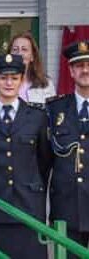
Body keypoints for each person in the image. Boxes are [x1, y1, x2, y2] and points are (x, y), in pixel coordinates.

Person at [0, 53, 52, 259]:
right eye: (3, 77)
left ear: (22, 80)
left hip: (29, 206)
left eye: (14, 78)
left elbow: (44, 161)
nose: (8, 83)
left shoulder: (38, 117)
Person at [49, 40, 89, 258]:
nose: (85, 70)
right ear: (71, 71)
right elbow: (44, 164)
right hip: (67, 208)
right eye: (79, 65)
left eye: (88, 64)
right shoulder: (54, 109)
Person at [0, 32, 56, 103]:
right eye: (15, 49)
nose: (19, 53)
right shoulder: (1, 82)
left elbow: (52, 111)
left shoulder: (46, 83)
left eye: (24, 49)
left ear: (32, 56)